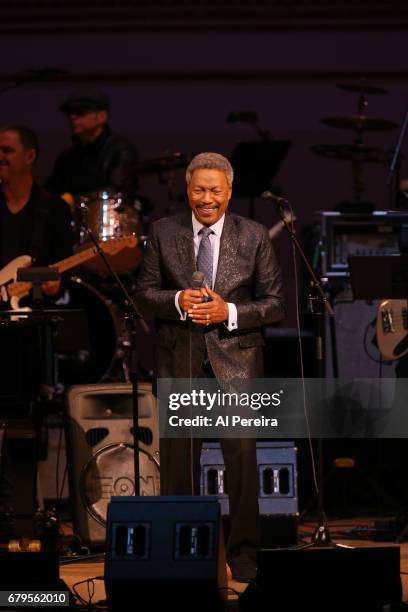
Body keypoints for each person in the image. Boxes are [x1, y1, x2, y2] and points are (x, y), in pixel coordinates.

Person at [134, 152, 285, 582]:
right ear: (188, 190)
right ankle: (185, 556)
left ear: (229, 192)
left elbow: (275, 304)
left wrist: (229, 313)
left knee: (241, 463)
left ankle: (244, 557)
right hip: (178, 360)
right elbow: (143, 293)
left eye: (215, 190)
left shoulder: (254, 235)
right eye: (199, 189)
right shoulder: (163, 232)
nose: (206, 198)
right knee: (179, 467)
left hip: (236, 364)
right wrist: (178, 301)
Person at [0, 125, 73, 295]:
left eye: (7, 150)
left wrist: (57, 284)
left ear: (30, 156)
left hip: (31, 311)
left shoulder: (55, 208)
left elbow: (65, 268)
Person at [45, 88, 139, 204]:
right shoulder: (68, 156)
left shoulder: (120, 149)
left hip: (107, 217)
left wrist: (74, 199)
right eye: (70, 113)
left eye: (81, 112)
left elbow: (117, 191)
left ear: (102, 116)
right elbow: (51, 189)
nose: (73, 117)